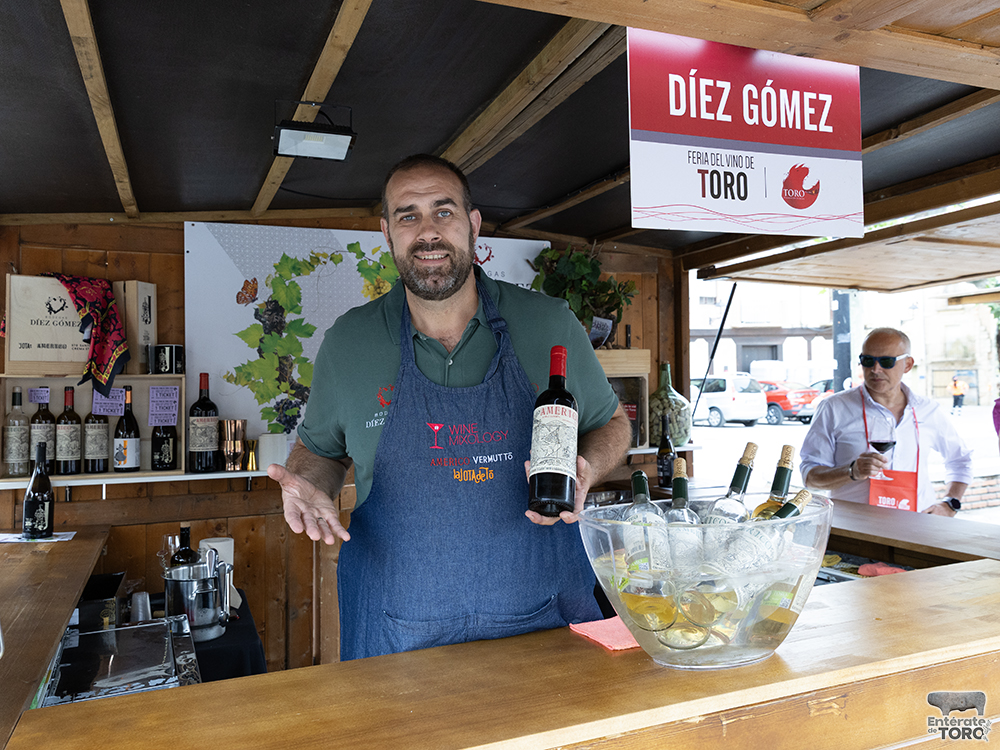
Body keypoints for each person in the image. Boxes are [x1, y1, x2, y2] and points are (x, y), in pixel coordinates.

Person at [267, 154, 632, 660]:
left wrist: (587, 468)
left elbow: (611, 423)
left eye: (444, 211)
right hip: (397, 634)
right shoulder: (348, 343)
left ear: (473, 224)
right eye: (408, 215)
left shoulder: (548, 323)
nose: (428, 231)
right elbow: (320, 452)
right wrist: (310, 484)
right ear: (387, 233)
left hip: (545, 626)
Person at [800, 327, 972, 517]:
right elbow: (810, 477)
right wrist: (851, 471)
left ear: (907, 364)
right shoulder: (833, 408)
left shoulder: (928, 410)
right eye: (867, 361)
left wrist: (950, 503)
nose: (875, 369)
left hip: (918, 528)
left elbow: (960, 460)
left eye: (886, 361)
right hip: (854, 531)